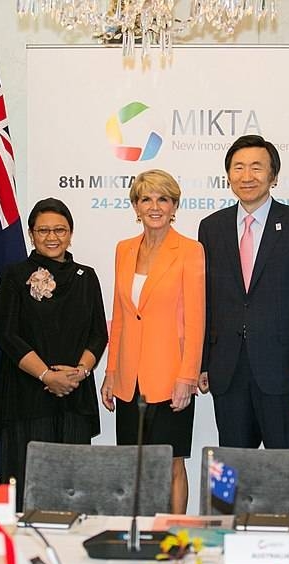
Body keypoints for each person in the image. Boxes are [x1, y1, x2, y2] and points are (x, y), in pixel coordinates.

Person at [197, 135, 289, 449]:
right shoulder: (211, 228)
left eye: (256, 167)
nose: (247, 176)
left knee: (286, 468)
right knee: (232, 468)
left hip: (283, 373)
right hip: (228, 370)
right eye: (238, 167)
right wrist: (203, 362)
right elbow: (206, 301)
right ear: (228, 176)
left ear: (273, 176)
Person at [0, 198, 108, 510]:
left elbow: (98, 334)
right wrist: (46, 375)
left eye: (60, 230)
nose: (52, 237)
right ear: (31, 234)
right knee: (26, 485)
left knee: (73, 487)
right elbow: (7, 334)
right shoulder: (15, 275)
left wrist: (79, 373)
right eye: (43, 230)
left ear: (70, 234)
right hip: (26, 396)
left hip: (74, 394)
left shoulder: (87, 276)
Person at [100, 169, 205, 514]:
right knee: (135, 464)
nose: (155, 206)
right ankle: (140, 533)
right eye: (146, 199)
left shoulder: (190, 250)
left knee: (171, 463)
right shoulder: (124, 249)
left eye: (163, 199)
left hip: (171, 377)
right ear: (136, 206)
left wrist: (187, 377)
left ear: (174, 206)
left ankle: (174, 536)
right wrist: (111, 372)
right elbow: (120, 316)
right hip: (129, 380)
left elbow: (196, 321)